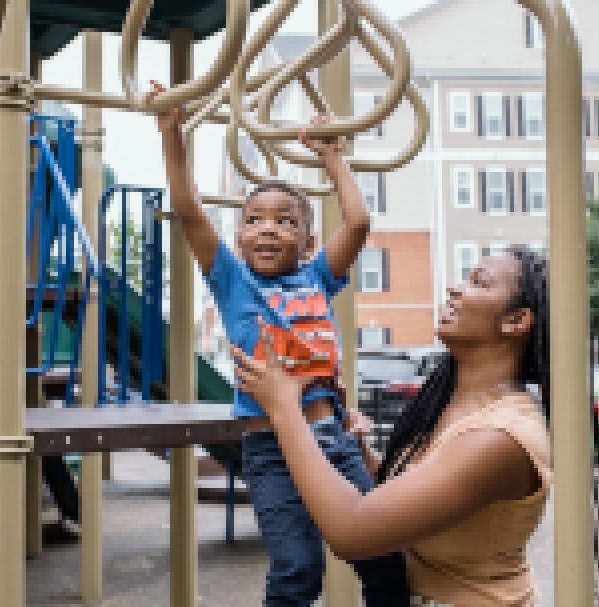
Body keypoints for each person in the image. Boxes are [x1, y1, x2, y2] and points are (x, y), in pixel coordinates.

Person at [148, 82, 409, 607]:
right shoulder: (232, 281)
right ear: (240, 238)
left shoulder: (317, 277)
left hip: (330, 439)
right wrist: (173, 133)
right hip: (269, 450)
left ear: (308, 242)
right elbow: (190, 208)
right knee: (298, 571)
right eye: (255, 221)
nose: (267, 230)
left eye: (285, 222)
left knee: (383, 557)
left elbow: (357, 222)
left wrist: (333, 158)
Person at [233, 248, 553, 606]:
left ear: (516, 321)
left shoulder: (499, 438)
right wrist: (356, 451)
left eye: (478, 282)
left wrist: (284, 409)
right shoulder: (452, 405)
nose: (455, 289)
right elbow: (407, 496)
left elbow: (352, 531)